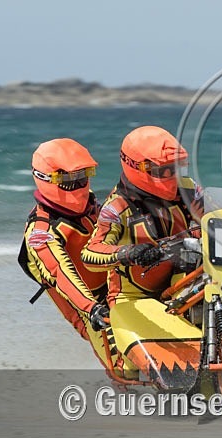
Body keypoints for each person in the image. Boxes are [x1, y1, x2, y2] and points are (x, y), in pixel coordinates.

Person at [81, 126, 203, 379]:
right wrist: (129, 252)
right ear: (136, 167)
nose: (172, 176)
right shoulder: (117, 207)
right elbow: (90, 253)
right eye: (162, 171)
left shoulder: (189, 189)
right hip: (134, 297)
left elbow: (217, 218)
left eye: (177, 167)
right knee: (136, 372)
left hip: (181, 284)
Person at [19, 138, 114, 367]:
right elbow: (59, 271)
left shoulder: (94, 206)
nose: (78, 183)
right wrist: (91, 308)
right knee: (125, 366)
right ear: (44, 179)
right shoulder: (41, 230)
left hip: (119, 286)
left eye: (83, 175)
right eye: (68, 179)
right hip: (85, 306)